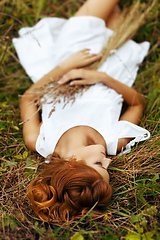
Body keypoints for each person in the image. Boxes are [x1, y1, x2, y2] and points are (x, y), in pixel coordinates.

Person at [13, 0, 151, 222]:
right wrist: (102, 78)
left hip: (75, 54)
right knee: (118, 13)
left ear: (72, 161)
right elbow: (138, 103)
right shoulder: (115, 141)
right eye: (107, 168)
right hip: (112, 65)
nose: (109, 162)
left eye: (100, 165)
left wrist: (65, 67)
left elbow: (28, 98)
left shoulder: (39, 140)